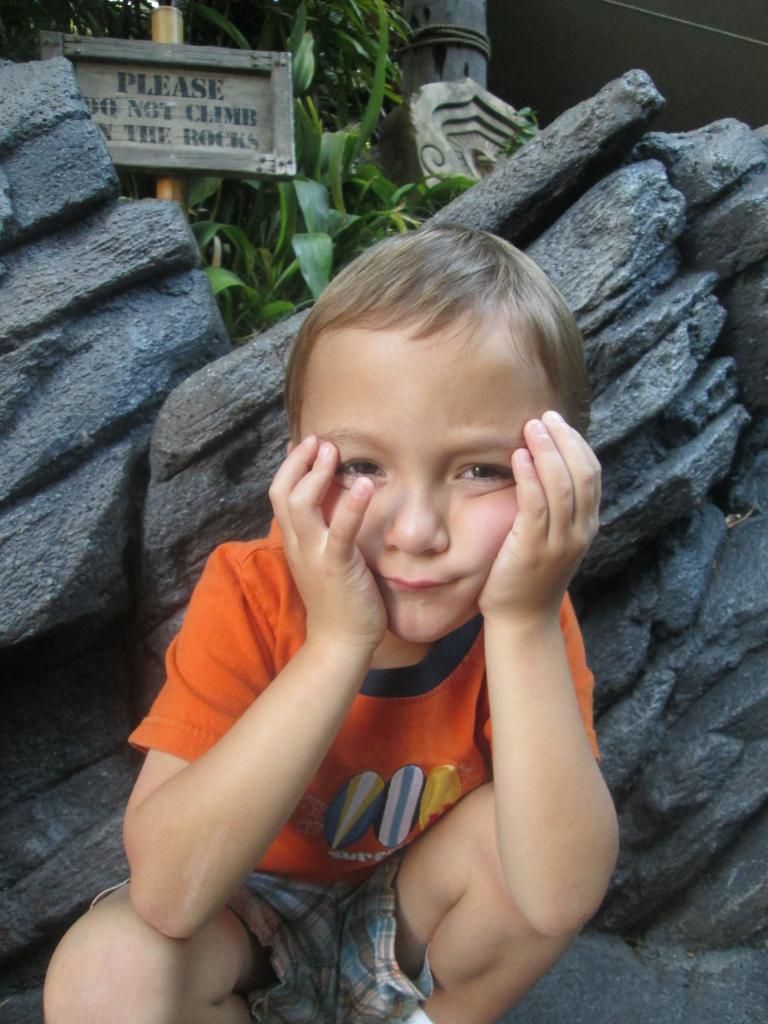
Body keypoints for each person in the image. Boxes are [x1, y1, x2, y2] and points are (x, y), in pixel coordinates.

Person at [44, 225, 618, 1024]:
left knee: (518, 834)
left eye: (481, 470)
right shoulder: (251, 591)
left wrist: (522, 627)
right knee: (107, 973)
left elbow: (555, 898)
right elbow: (170, 897)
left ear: (563, 477)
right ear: (297, 465)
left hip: (408, 907)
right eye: (362, 465)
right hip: (239, 915)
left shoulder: (524, 610)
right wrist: (339, 642)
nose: (416, 530)